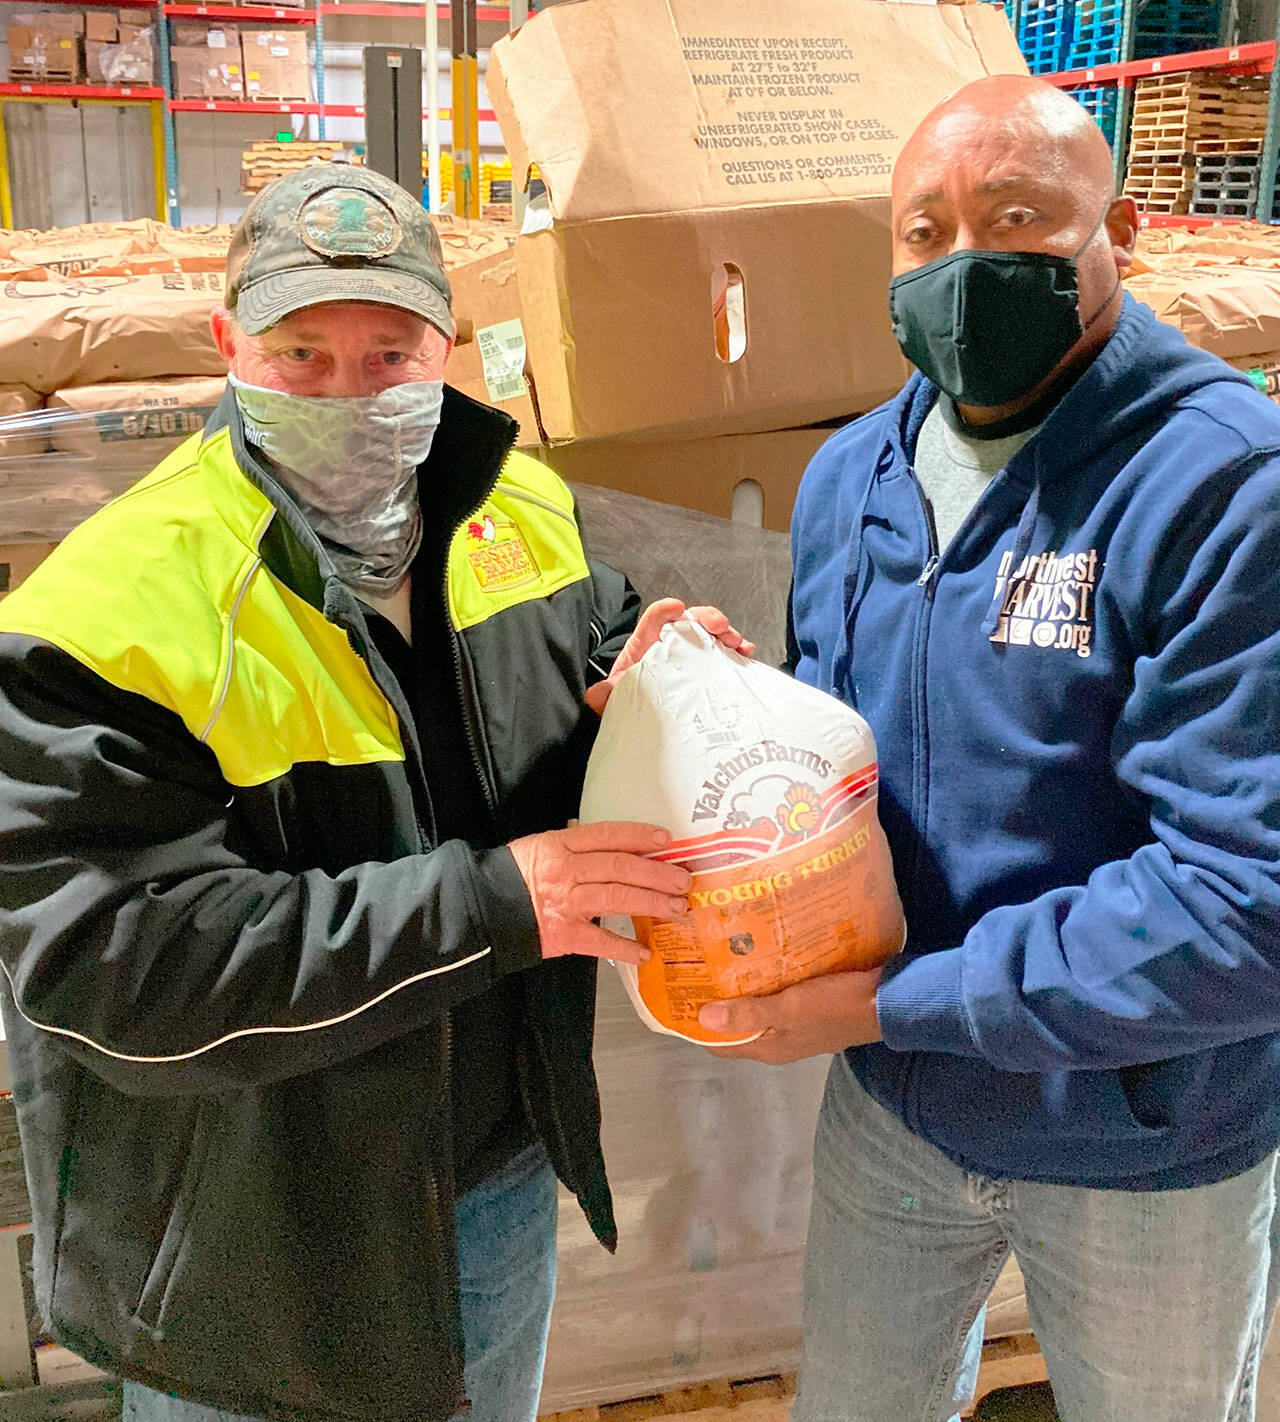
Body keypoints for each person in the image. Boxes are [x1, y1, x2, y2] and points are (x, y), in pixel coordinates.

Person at [0, 166, 752, 1422]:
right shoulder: (109, 610)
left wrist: (648, 673)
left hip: (489, 1183)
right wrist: (491, 905)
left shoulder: (517, 508)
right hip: (253, 1249)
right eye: (301, 354)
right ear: (227, 343)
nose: (349, 393)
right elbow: (115, 968)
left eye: (389, 355)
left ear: (445, 349)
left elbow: (591, 646)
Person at [699, 74, 1280, 1421]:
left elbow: (1246, 902)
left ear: (1119, 233)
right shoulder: (855, 474)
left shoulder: (1223, 486)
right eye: (925, 232)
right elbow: (849, 751)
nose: (962, 264)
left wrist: (891, 1002)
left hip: (1142, 1136)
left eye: (1016, 219)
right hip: (901, 1112)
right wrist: (711, 706)